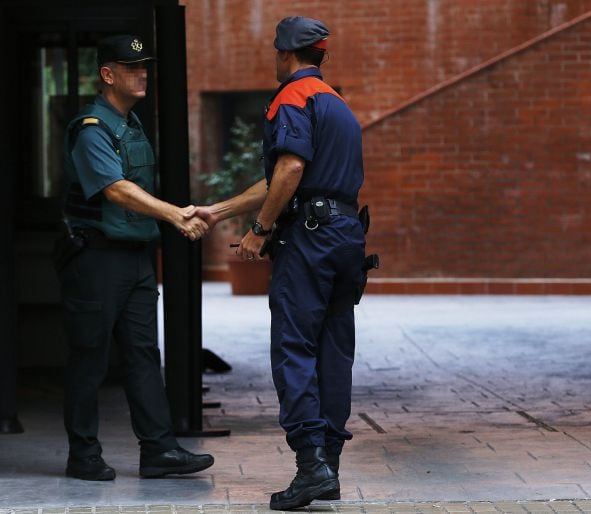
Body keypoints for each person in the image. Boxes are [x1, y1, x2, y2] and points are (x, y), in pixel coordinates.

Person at [189, 16, 366, 509]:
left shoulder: (292, 96)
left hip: (308, 242)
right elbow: (288, 179)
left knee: (294, 348)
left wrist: (259, 231)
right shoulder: (338, 106)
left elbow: (289, 168)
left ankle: (311, 466)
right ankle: (327, 462)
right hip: (346, 237)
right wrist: (220, 209)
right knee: (335, 351)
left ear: (284, 54)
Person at [56, 34, 214, 481]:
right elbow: (116, 189)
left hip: (135, 257)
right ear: (108, 75)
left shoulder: (131, 123)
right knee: (90, 356)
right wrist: (177, 215)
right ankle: (83, 454)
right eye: (131, 67)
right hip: (96, 260)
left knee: (144, 353)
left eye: (145, 66)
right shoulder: (92, 128)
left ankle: (159, 450)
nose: (142, 73)